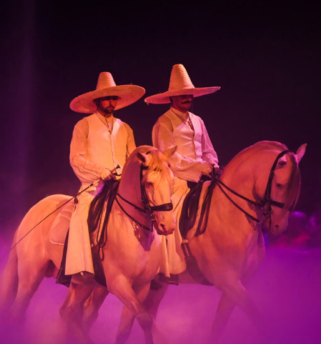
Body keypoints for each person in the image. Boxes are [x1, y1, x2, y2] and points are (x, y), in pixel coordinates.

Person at [65, 72, 144, 281]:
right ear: (97, 100)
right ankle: (78, 267)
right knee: (82, 214)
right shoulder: (84, 125)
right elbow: (76, 158)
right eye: (108, 98)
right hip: (94, 186)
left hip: (120, 185)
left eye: (114, 98)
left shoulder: (125, 128)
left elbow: (133, 159)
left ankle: (149, 267)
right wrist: (100, 171)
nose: (111, 102)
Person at [145, 64, 220, 281]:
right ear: (172, 98)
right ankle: (167, 266)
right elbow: (169, 158)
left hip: (204, 177)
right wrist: (199, 167)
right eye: (182, 95)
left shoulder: (198, 121)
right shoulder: (164, 122)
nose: (187, 98)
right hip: (177, 179)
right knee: (172, 215)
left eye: (189, 94)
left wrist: (212, 165)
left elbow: (209, 149)